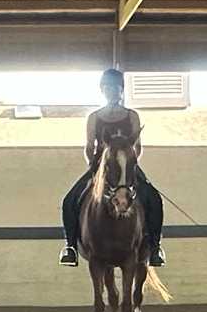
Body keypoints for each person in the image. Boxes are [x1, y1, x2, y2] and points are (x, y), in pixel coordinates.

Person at [57, 68, 165, 267]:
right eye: (108, 88)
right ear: (103, 90)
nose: (112, 91)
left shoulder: (131, 115)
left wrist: (130, 165)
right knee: (69, 199)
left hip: (127, 166)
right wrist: (96, 167)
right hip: (102, 166)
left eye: (115, 88)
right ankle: (70, 246)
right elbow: (90, 146)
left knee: (153, 198)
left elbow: (137, 146)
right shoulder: (94, 117)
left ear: (121, 90)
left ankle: (155, 247)